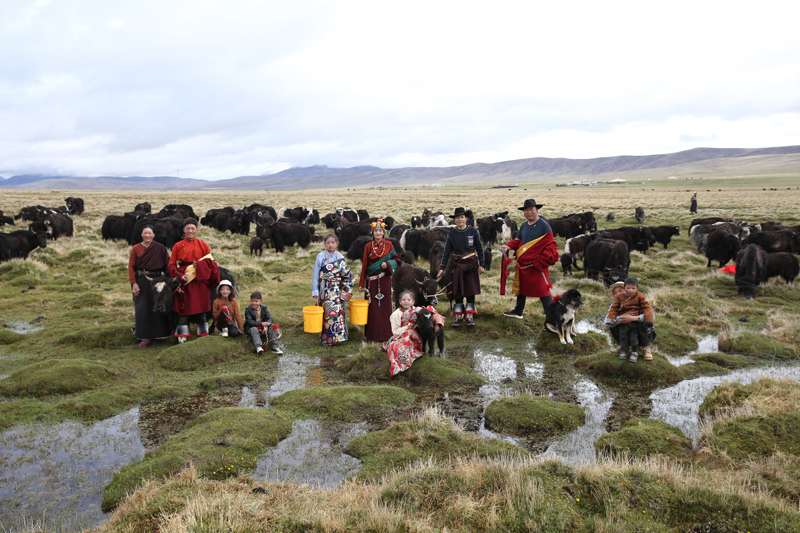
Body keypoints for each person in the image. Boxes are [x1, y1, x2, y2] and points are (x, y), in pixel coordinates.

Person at [500, 199, 560, 319]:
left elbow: (551, 245)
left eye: (531, 209)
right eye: (526, 210)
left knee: (544, 292)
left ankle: (552, 319)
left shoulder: (544, 226)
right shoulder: (524, 226)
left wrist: (540, 260)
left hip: (537, 265)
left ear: (536, 210)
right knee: (522, 288)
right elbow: (518, 241)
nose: (529, 212)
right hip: (524, 264)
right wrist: (508, 246)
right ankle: (518, 312)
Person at [168, 219, 220, 343]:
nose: (190, 231)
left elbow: (211, 264)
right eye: (188, 228)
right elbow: (171, 265)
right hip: (185, 282)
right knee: (183, 311)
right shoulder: (177, 245)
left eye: (192, 228)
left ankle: (203, 337)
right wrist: (180, 276)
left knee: (201, 311)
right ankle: (182, 338)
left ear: (196, 230)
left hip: (200, 282)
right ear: (184, 230)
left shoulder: (203, 245)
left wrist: (200, 266)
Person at [437, 207, 485, 326]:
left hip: (471, 265)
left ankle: (469, 316)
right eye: (457, 218)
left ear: (466, 219)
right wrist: (442, 268)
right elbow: (446, 252)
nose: (460, 220)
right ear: (455, 220)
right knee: (457, 290)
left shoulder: (473, 232)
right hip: (456, 265)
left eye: (462, 217)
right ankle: (458, 316)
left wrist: (482, 264)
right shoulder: (451, 234)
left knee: (470, 290)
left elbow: (479, 248)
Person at [383, 290, 444, 376]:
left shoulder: (418, 310)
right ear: (399, 301)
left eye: (409, 300)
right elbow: (395, 332)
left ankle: (421, 351)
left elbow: (433, 312)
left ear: (413, 302)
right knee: (400, 350)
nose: (406, 302)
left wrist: (438, 323)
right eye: (404, 300)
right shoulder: (395, 314)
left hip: (417, 336)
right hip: (401, 337)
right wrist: (407, 327)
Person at [357, 219, 400, 342]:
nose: (378, 233)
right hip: (371, 282)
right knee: (372, 309)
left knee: (386, 308)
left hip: (385, 281)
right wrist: (361, 284)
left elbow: (397, 261)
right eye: (376, 231)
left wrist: (387, 264)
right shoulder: (368, 246)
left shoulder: (389, 245)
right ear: (373, 232)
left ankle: (387, 335)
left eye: (380, 231)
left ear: (383, 232)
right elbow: (365, 265)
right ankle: (372, 336)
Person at [128, 225, 171, 347]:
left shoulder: (160, 248)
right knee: (142, 307)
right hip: (142, 280)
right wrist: (134, 283)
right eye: (145, 233)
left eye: (149, 233)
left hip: (157, 281)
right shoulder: (136, 248)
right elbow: (131, 266)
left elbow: (167, 264)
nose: (147, 235)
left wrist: (170, 280)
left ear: (153, 235)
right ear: (141, 235)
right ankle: (144, 336)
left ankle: (158, 334)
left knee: (157, 306)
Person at [312, 234, 355, 345]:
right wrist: (315, 291)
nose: (330, 245)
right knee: (327, 313)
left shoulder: (340, 256)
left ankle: (338, 338)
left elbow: (346, 274)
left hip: (337, 289)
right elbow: (316, 274)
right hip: (325, 288)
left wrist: (345, 290)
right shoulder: (320, 256)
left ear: (337, 243)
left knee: (338, 313)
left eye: (333, 242)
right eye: (328, 242)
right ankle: (327, 339)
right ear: (325, 244)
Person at [606, 277, 655, 363]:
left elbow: (652, 315)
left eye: (620, 291)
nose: (618, 294)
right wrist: (622, 317)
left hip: (639, 328)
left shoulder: (639, 298)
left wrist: (635, 318)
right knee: (612, 323)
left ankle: (645, 347)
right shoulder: (614, 304)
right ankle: (623, 346)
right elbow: (606, 323)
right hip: (625, 327)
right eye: (615, 292)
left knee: (645, 322)